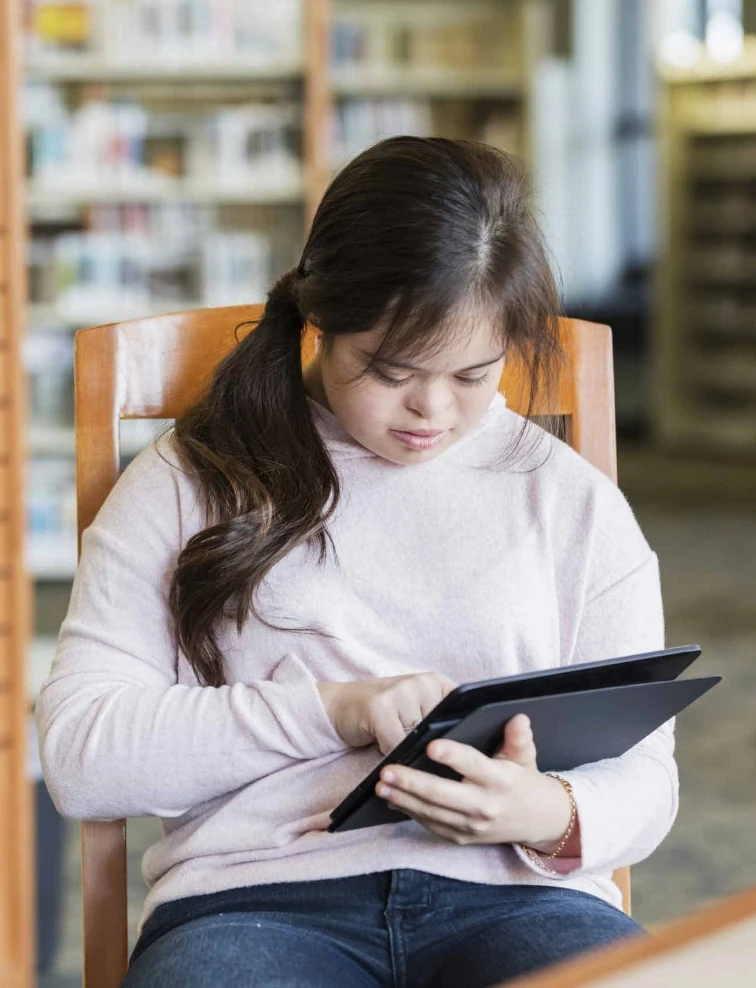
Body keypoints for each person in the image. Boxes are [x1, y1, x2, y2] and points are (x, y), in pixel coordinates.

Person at [36, 136, 676, 988]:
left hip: (519, 900)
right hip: (254, 900)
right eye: (390, 370)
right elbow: (82, 756)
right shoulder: (189, 481)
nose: (432, 411)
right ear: (319, 319)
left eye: (473, 375)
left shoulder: (569, 500)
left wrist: (548, 812)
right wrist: (334, 711)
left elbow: (646, 777)